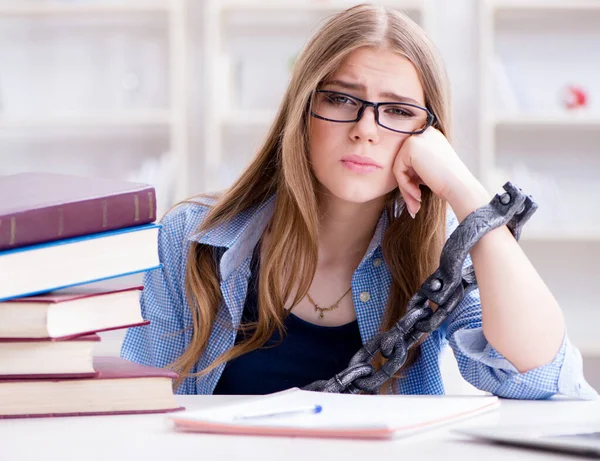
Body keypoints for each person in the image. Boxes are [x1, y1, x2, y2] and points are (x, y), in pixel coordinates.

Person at [121, 4, 597, 399]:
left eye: (398, 111)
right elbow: (133, 412)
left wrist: (465, 190)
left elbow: (540, 376)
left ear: (427, 134)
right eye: (342, 100)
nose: (365, 130)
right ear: (303, 111)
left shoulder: (438, 252)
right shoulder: (189, 238)